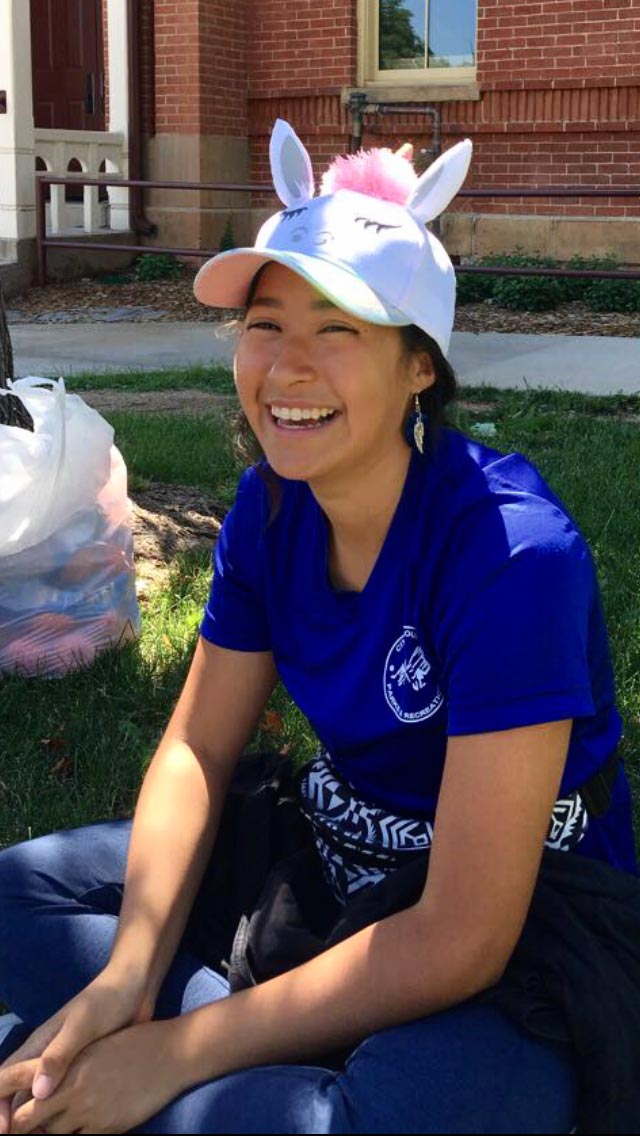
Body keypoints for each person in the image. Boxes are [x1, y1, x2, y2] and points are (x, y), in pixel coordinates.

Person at [0, 119, 637, 1136]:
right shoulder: (269, 507)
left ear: (418, 366)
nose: (288, 368)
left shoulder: (514, 557)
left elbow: (467, 930)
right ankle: (200, 1049)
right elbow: (199, 750)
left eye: (337, 329)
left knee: (395, 1109)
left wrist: (174, 1047)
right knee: (18, 897)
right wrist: (122, 977)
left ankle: (198, 1056)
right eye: (266, 324)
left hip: (526, 917)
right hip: (337, 853)